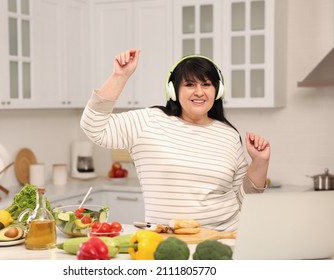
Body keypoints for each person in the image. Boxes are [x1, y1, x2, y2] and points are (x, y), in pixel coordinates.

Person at [80, 49, 270, 232]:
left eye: (206, 84)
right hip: (167, 242)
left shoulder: (228, 135)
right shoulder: (148, 121)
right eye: (189, 85)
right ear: (173, 90)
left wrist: (260, 162)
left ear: (217, 90)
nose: (199, 92)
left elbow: (244, 200)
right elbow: (94, 127)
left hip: (224, 238)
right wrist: (119, 77)